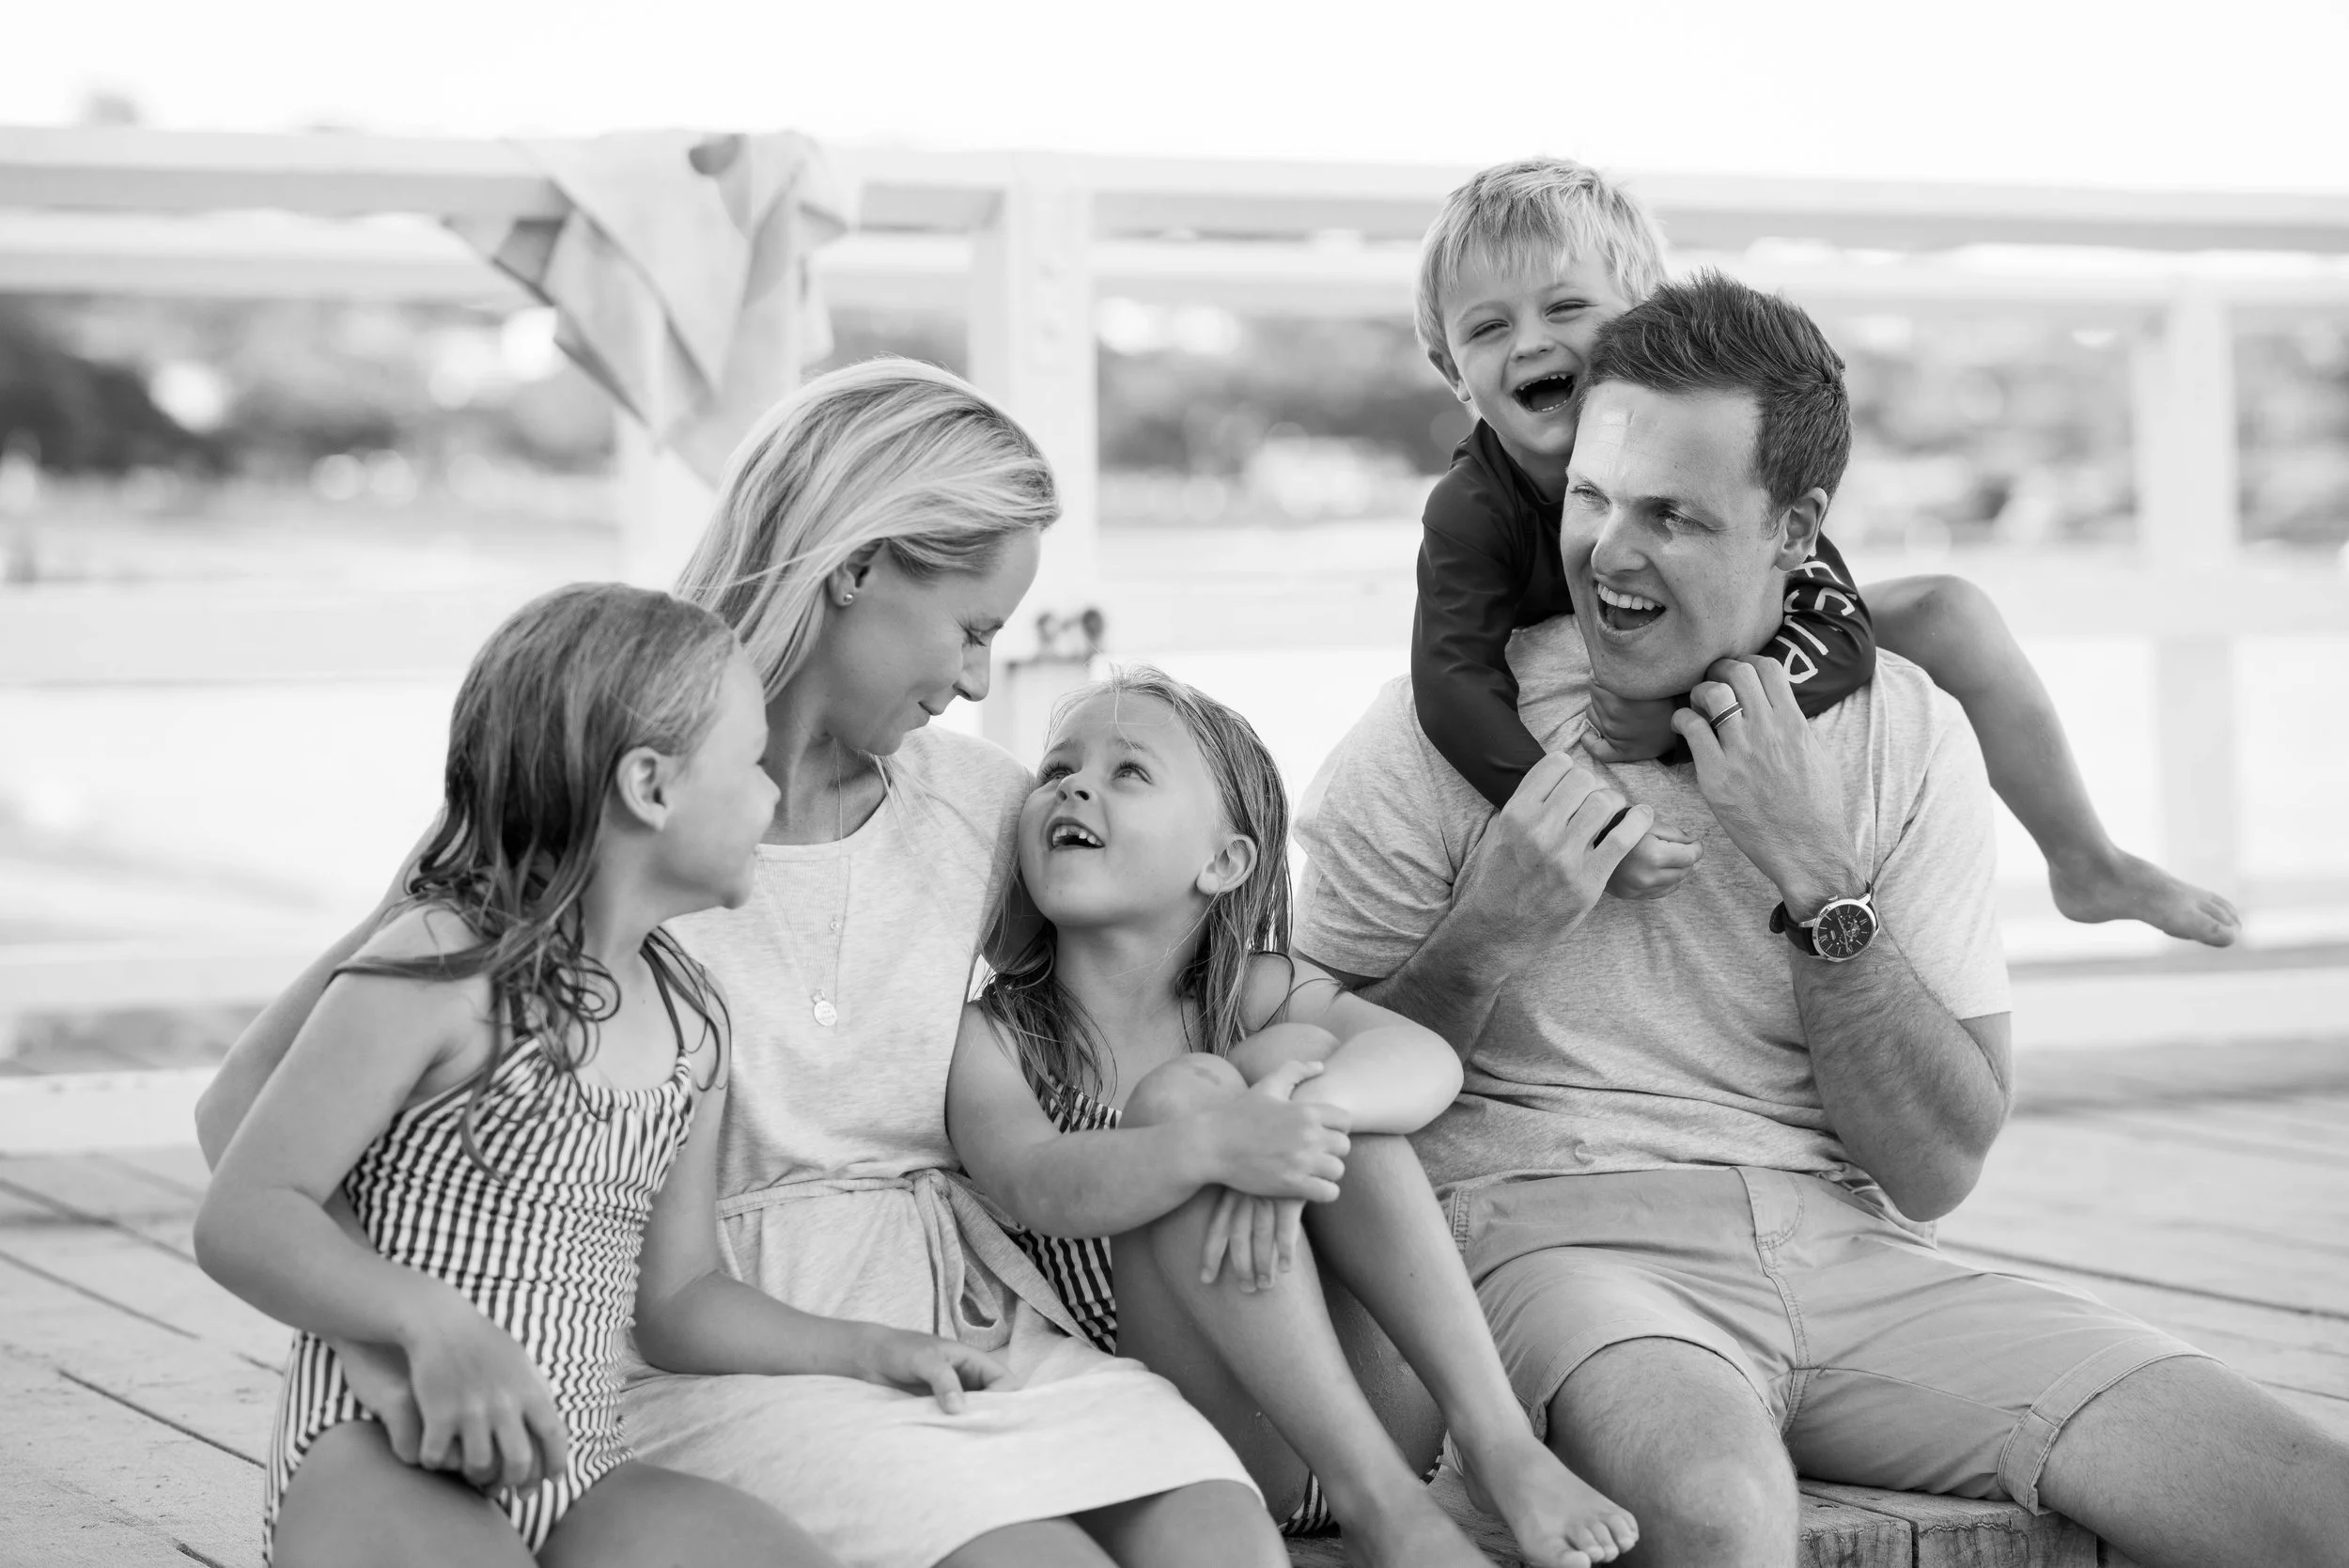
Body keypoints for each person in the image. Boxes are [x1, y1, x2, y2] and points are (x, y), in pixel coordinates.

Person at [1297, 272, 2349, 1568]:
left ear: (1796, 530)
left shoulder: (1901, 728)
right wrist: (1481, 939)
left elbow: (1937, 1167)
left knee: (2315, 1501)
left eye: (1672, 515)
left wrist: (1811, 865)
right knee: (1720, 1511)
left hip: (1854, 1249)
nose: (1609, 555)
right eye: (1590, 498)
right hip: (1556, 1241)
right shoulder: (1430, 745)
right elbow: (1301, 1105)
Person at [196, 359, 1282, 1568]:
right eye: (972, 629)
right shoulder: (582, 803)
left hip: (943, 1310)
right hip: (678, 1357)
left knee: (1220, 1538)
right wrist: (395, 1342)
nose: (980, 678)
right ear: (858, 568)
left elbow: (1162, 952)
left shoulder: (977, 809)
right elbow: (248, 1113)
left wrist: (1296, 1071)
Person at [1410, 155, 2238, 946]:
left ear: (1641, 324)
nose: (1527, 343)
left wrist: (1676, 722)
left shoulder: (1710, 451)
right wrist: (1581, 820)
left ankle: (2086, 862)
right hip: (1616, 628)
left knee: (1952, 612)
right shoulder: (1470, 508)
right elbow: (1451, 680)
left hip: (1703, 624)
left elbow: (1835, 627)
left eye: (1564, 308)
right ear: (1453, 373)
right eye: (1488, 327)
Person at [193, 582, 857, 1567]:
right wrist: (425, 1320)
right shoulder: (440, 967)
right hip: (381, 1452)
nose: (774, 788)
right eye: (754, 759)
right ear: (651, 786)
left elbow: (677, 1300)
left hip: (579, 1466)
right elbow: (246, 1211)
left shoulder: (691, 1022)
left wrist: (876, 1350)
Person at [947, 666, 1638, 1568]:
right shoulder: (997, 1038)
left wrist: (1300, 1117)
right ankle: (1382, 1511)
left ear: (1224, 861)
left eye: (1130, 772)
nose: (1074, 785)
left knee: (1300, 1065)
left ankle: (1501, 1442)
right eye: (1057, 769)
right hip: (1208, 1445)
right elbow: (1035, 1185)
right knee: (1184, 1099)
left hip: (1389, 1409)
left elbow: (1426, 1062)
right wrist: (1211, 1146)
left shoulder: (1259, 993)